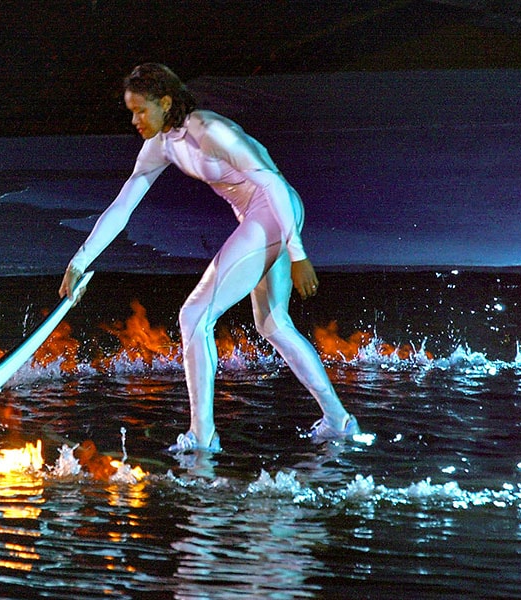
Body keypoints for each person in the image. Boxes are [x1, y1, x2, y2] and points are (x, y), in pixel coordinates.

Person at [59, 63, 359, 452]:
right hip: (262, 219)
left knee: (194, 315)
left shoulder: (210, 131)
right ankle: (338, 420)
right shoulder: (161, 145)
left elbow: (269, 180)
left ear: (165, 103)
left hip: (275, 210)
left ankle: (202, 436)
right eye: (130, 111)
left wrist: (296, 251)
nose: (134, 120)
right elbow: (123, 206)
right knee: (272, 323)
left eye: (140, 110)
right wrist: (79, 261)